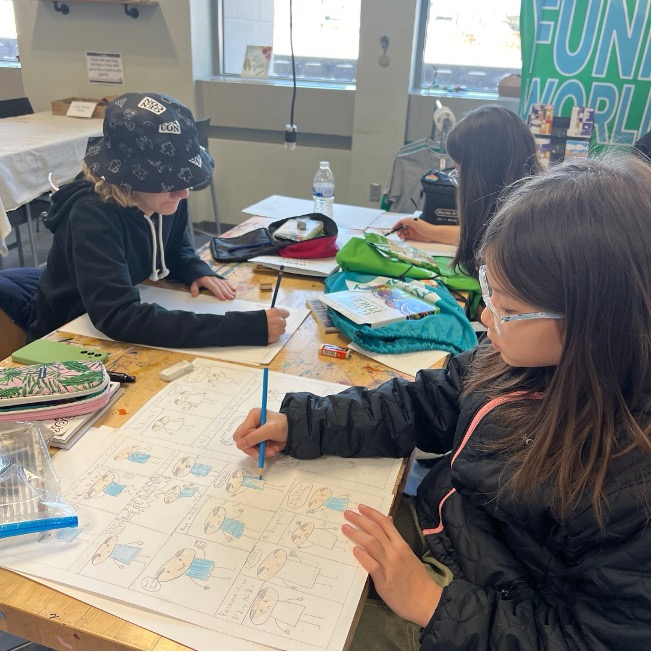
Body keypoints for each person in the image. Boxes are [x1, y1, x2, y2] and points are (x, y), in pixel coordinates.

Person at [233, 153, 651, 650]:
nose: (486, 315)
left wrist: (432, 603)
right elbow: (423, 403)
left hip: (484, 614)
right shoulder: (520, 357)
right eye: (488, 288)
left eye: (508, 308)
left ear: (597, 320)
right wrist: (303, 423)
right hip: (444, 538)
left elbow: (596, 641)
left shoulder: (631, 479)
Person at [27, 92, 289, 348]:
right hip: (66, 337)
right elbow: (118, 316)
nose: (183, 192)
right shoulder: (92, 215)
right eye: (168, 182)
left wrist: (191, 268)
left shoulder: (162, 195)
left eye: (184, 179)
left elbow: (176, 247)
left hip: (117, 320)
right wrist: (240, 328)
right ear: (128, 176)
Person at [391, 105, 541, 277]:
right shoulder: (524, 215)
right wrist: (431, 232)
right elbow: (482, 236)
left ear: (483, 177)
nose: (460, 185)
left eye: (460, 174)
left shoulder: (516, 243)